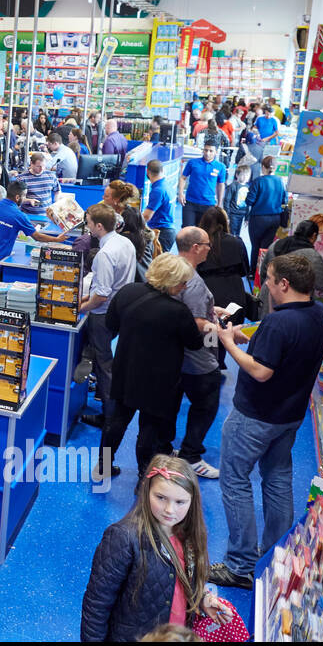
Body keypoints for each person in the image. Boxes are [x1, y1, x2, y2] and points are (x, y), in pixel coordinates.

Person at [210, 253, 323, 590]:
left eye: (269, 278)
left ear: (284, 284)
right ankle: (275, 554)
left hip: (255, 415)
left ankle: (240, 565)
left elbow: (262, 371)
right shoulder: (320, 315)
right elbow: (283, 350)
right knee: (277, 480)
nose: (264, 284)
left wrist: (230, 344)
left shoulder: (280, 322)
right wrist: (253, 338)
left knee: (235, 480)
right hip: (289, 416)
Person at [81, 456, 231, 641]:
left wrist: (201, 599)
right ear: (146, 491)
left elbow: (182, 581)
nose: (169, 510)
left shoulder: (190, 534)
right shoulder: (123, 537)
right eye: (161, 497)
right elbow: (97, 604)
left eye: (180, 502)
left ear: (192, 501)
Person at [101, 254, 209, 478]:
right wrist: (209, 327)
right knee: (148, 428)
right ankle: (143, 477)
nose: (184, 286)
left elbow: (110, 323)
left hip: (125, 368)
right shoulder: (178, 312)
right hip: (159, 380)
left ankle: (103, 466)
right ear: (171, 281)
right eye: (182, 282)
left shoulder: (128, 292)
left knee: (117, 420)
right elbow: (195, 343)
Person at [78, 203, 140, 447]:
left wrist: (81, 308)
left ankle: (109, 417)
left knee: (104, 367)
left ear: (99, 226)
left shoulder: (104, 255)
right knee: (108, 365)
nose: (87, 226)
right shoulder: (125, 243)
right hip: (120, 311)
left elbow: (101, 295)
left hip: (102, 315)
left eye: (89, 222)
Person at [172, 228, 224, 479]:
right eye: (206, 244)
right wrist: (224, 333)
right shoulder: (193, 282)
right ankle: (191, 454)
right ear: (194, 248)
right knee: (207, 402)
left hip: (176, 355)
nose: (209, 248)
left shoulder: (173, 270)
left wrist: (213, 311)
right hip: (196, 358)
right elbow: (195, 322)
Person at [0, 181, 68, 280]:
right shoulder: (19, 216)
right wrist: (57, 239)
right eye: (24, 195)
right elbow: (37, 236)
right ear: (17, 197)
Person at [257, 220, 323, 316]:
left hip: (268, 295)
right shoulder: (312, 256)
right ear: (314, 236)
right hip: (293, 304)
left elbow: (263, 272)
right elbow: (321, 284)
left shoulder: (276, 244)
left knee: (266, 326)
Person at [195, 206, 250, 317]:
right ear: (225, 222)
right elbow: (245, 271)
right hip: (235, 293)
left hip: (207, 293)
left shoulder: (198, 245)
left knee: (209, 332)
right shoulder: (237, 242)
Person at [244, 154, 286, 276]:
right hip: (275, 218)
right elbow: (284, 201)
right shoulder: (280, 181)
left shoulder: (258, 181)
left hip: (258, 219)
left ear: (263, 167)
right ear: (276, 167)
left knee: (255, 246)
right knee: (266, 248)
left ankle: (252, 272)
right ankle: (262, 273)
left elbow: (249, 201)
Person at [179, 142, 227, 229]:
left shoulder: (221, 167)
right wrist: (181, 193)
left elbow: (221, 185)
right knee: (186, 230)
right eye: (206, 150)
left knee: (204, 232)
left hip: (208, 204)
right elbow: (183, 178)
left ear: (216, 152)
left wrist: (220, 203)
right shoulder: (192, 163)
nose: (207, 153)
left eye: (211, 151)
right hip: (190, 202)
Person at [141, 159, 177, 253]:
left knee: (158, 265)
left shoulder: (158, 191)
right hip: (168, 231)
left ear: (148, 172)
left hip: (162, 233)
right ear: (162, 170)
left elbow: (146, 216)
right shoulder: (166, 185)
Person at [225, 159, 254, 240]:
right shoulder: (233, 186)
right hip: (233, 214)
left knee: (237, 233)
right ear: (237, 175)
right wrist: (227, 214)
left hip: (242, 213)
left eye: (247, 175)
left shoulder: (248, 188)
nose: (245, 177)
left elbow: (249, 204)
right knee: (232, 232)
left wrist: (247, 217)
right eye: (243, 175)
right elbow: (227, 200)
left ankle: (235, 246)